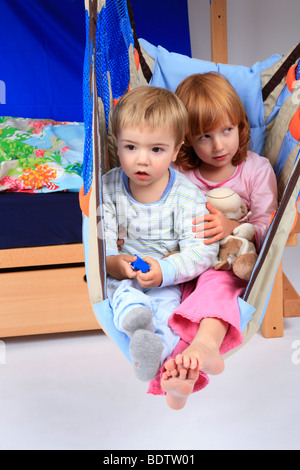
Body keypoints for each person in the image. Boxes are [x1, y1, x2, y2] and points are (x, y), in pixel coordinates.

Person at [147, 72, 278, 409]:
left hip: (225, 265)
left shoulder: (255, 170)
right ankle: (177, 378)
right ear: (186, 138)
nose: (218, 145)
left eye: (227, 131)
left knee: (216, 289)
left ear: (240, 125)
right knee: (166, 309)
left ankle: (205, 350)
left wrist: (232, 224)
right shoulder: (180, 173)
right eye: (204, 136)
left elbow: (268, 225)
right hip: (184, 262)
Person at [103, 86, 219, 383]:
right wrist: (115, 263)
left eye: (156, 149)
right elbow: (99, 241)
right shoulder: (107, 188)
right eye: (131, 147)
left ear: (177, 148)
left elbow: (203, 252)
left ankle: (156, 351)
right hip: (122, 275)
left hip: (167, 277)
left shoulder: (186, 196)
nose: (142, 160)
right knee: (119, 294)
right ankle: (135, 318)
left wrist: (165, 270)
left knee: (169, 314)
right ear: (116, 142)